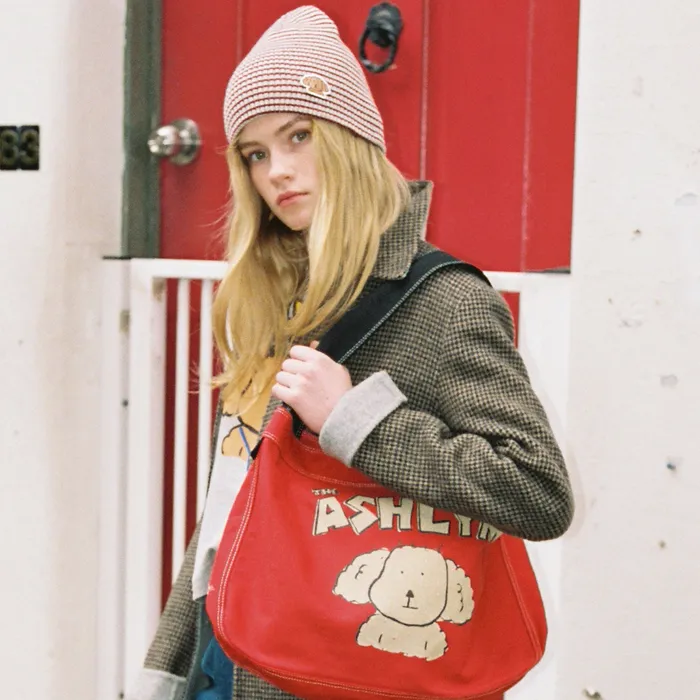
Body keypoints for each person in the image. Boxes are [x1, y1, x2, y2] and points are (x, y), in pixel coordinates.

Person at [127, 6, 574, 700]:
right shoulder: (272, 300)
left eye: (298, 135)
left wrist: (357, 420)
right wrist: (165, 666)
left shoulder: (444, 301)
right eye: (255, 153)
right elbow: (232, 502)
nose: (277, 171)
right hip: (225, 657)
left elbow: (538, 491)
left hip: (349, 667)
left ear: (351, 136)